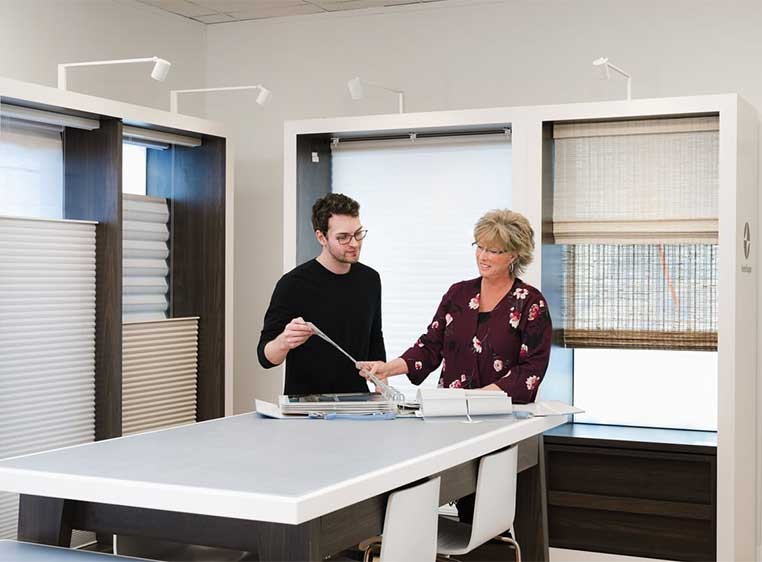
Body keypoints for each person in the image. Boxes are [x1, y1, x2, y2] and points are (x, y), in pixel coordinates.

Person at [357, 209, 552, 522]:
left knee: (486, 513)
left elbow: (531, 370)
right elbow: (430, 346)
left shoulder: (530, 303)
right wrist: (387, 368)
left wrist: (481, 396)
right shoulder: (458, 294)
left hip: (498, 428)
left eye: (493, 250)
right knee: (446, 499)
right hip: (448, 424)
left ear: (514, 253)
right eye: (479, 246)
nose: (482, 255)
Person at [257, 193, 385, 395]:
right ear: (321, 237)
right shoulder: (293, 284)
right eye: (343, 237)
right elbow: (265, 358)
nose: (354, 243)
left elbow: (374, 339)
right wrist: (284, 341)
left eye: (358, 233)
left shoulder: (370, 279)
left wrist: (381, 381)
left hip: (358, 404)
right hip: (305, 409)